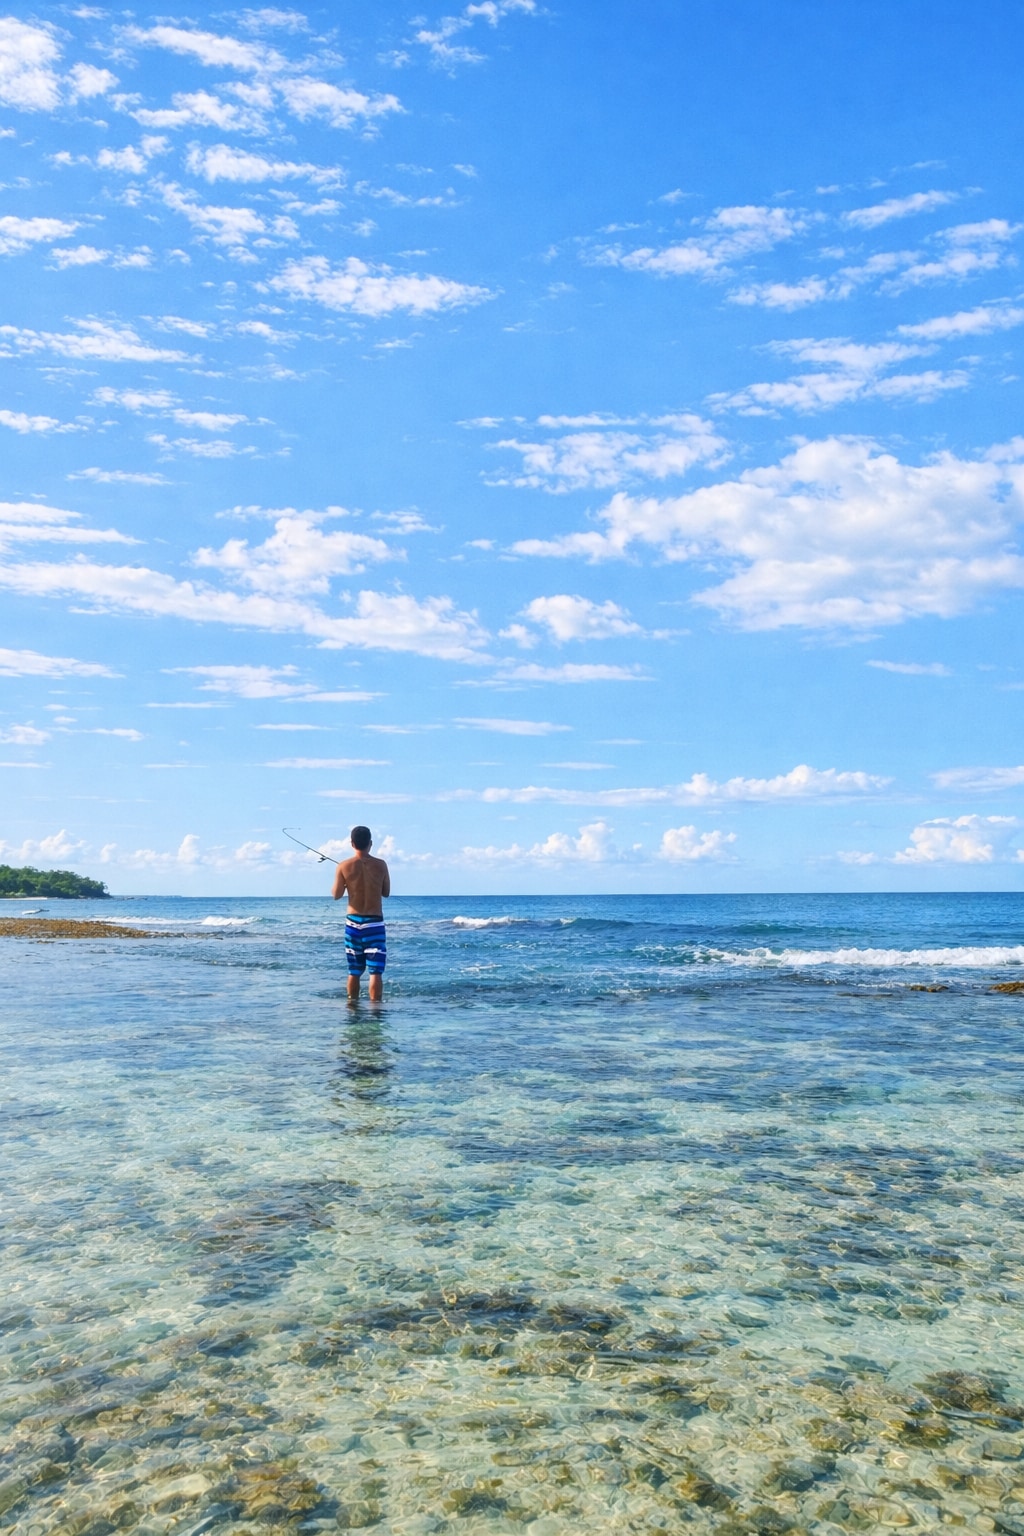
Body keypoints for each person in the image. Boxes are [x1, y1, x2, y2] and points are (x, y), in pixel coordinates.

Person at [332, 825, 390, 1002]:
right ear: (370, 843)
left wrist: (347, 881)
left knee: (354, 970)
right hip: (374, 923)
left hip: (353, 923)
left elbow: (336, 895)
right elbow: (386, 892)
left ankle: (352, 1007)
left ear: (352, 843)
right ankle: (375, 1009)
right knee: (375, 971)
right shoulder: (381, 865)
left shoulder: (343, 866)